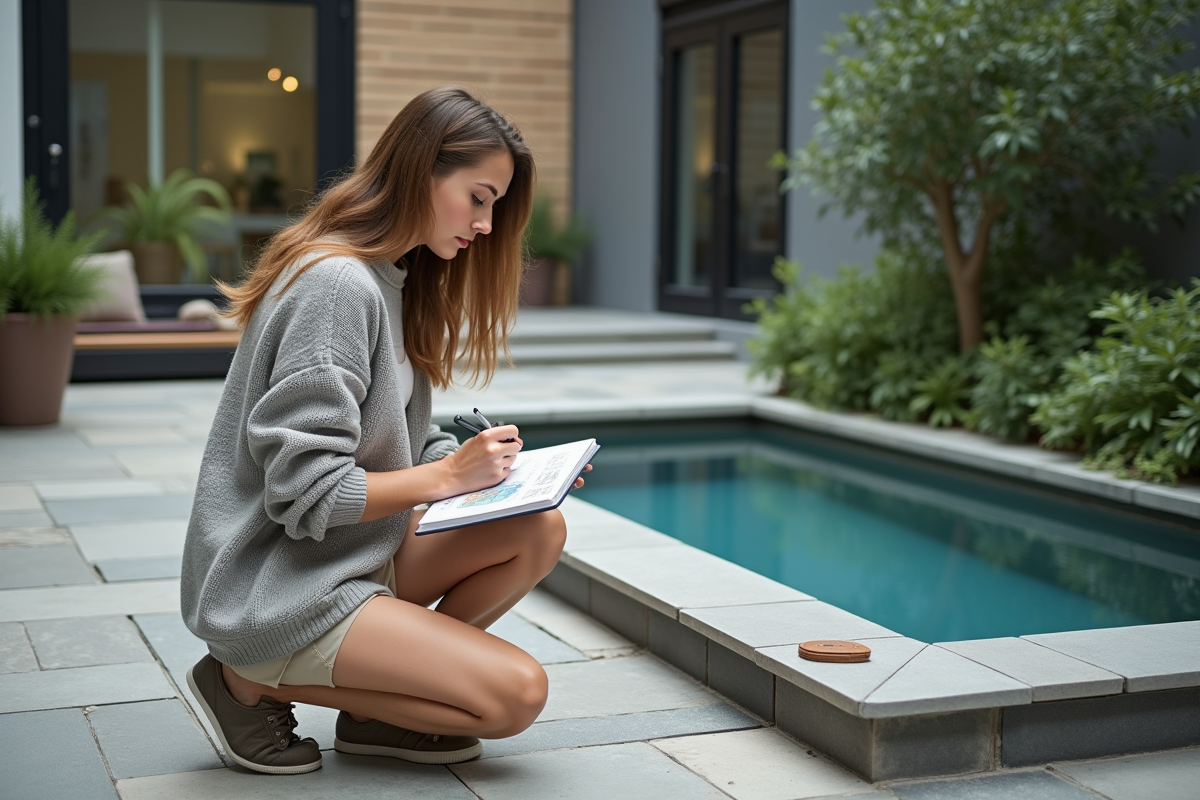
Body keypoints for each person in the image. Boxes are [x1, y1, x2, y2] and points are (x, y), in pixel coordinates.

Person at [180, 86, 580, 775]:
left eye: (496, 206)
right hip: (277, 585)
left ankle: (375, 711)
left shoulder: (394, 279)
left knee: (537, 528)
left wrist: (487, 470)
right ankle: (243, 682)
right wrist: (447, 479)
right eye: (479, 197)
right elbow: (304, 492)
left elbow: (398, 439)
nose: (486, 225)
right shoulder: (337, 285)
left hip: (344, 558)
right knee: (516, 696)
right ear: (422, 170)